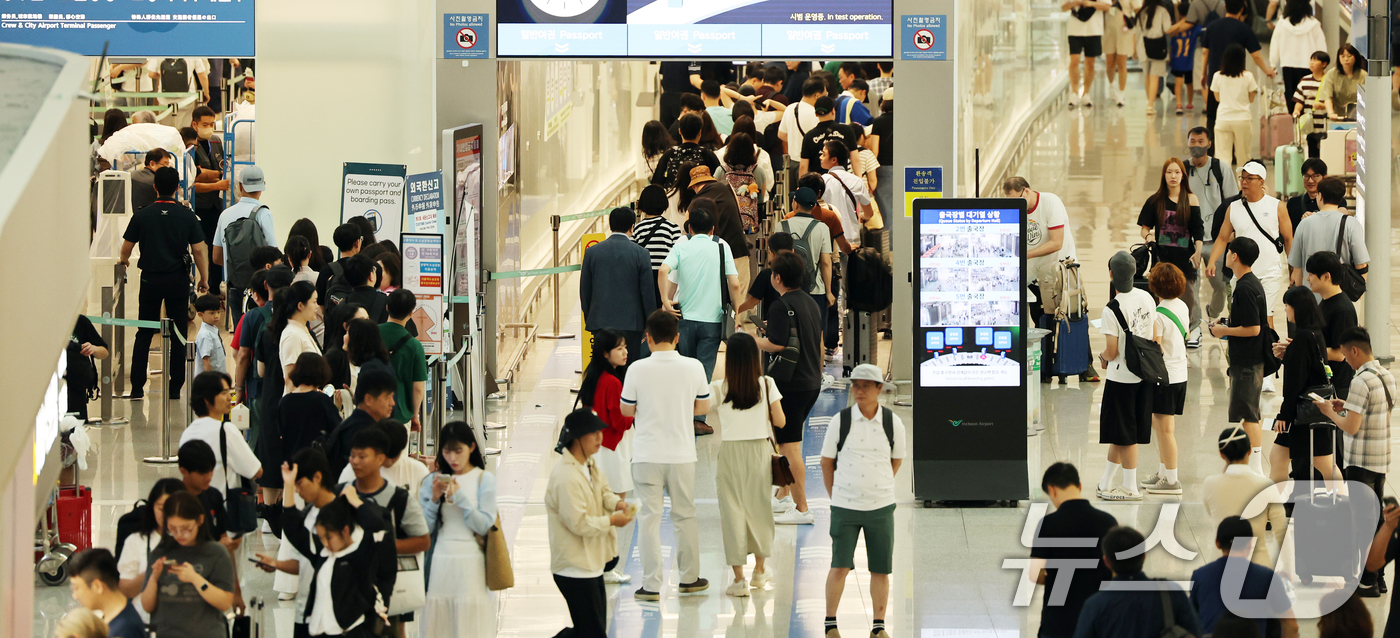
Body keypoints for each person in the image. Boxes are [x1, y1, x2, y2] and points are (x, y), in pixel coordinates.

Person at [619, 310, 711, 600]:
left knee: (648, 518)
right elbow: (702, 408)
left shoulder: (636, 368)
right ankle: (689, 578)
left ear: (647, 338)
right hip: (682, 454)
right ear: (677, 338)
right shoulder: (694, 367)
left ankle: (651, 584)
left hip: (646, 454)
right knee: (685, 515)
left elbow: (626, 410)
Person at [820, 364, 906, 638]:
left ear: (879, 389)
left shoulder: (893, 423)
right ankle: (830, 623)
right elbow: (826, 462)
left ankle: (879, 625)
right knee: (840, 565)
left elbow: (896, 460)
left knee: (881, 568)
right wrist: (838, 495)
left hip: (881, 507)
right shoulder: (841, 421)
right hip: (845, 507)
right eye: (855, 385)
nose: (859, 391)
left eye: (866, 386)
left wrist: (878, 485)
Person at [119, 166, 209, 400]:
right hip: (177, 279)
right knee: (179, 331)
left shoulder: (142, 215)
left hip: (150, 279)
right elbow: (199, 249)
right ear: (178, 187)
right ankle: (175, 387)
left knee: (145, 331)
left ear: (155, 187)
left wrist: (124, 260)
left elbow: (127, 247)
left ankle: (138, 386)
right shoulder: (187, 215)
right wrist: (204, 279)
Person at [545, 408, 634, 638]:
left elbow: (604, 491)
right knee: (592, 633)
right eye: (593, 433)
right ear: (576, 438)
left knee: (592, 632)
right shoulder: (566, 477)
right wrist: (612, 520)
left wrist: (617, 504)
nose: (599, 438)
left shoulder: (589, 465)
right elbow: (579, 524)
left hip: (591, 563)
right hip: (573, 567)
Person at [709, 332, 782, 596]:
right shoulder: (766, 384)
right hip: (759, 452)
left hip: (730, 453)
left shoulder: (719, 387)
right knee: (760, 510)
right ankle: (760, 572)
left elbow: (698, 408)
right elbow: (781, 421)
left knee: (732, 513)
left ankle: (738, 580)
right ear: (754, 358)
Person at [754, 252, 824, 525]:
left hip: (790, 386)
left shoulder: (780, 305)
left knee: (789, 446)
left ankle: (802, 508)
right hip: (810, 381)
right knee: (791, 442)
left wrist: (754, 340)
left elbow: (778, 345)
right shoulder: (810, 302)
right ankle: (783, 495)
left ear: (777, 277)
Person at [659, 208, 743, 432]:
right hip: (713, 320)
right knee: (704, 369)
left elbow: (665, 272)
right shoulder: (721, 245)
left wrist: (665, 302)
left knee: (684, 366)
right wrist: (738, 313)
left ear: (689, 228)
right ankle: (698, 419)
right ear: (712, 229)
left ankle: (681, 416)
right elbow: (734, 284)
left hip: (684, 318)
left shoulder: (681, 245)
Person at [341, 426, 430, 635]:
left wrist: (383, 547)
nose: (389, 463)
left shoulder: (415, 474)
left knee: (395, 626)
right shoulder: (348, 477)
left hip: (394, 572)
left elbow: (424, 534)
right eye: (354, 456)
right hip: (355, 576)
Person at [418, 421, 498, 638]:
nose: (452, 458)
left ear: (471, 447)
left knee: (470, 624)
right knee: (439, 623)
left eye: (458, 451)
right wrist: (434, 499)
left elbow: (484, 525)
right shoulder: (431, 482)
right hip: (441, 558)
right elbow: (423, 529)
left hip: (471, 559)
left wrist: (460, 498)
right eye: (446, 451)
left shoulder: (484, 480)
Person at [279, 479, 386, 638]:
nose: (325, 543)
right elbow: (292, 527)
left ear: (345, 531)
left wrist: (356, 502)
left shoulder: (360, 555)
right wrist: (288, 484)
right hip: (319, 629)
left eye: (328, 537)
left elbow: (379, 526)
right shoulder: (322, 555)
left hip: (349, 630)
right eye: (321, 538)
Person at [1315, 326, 1395, 539]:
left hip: (1361, 461)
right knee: (1376, 516)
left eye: (1344, 353)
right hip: (1380, 458)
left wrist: (1329, 412)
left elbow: (1351, 426)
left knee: (1361, 520)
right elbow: (1375, 410)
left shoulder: (1360, 381)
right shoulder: (1386, 375)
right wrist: (1347, 405)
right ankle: (1378, 571)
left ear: (1355, 351)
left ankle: (1365, 570)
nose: (1345, 359)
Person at [250, 448, 339, 636]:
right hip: (307, 613)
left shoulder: (342, 514)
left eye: (298, 483)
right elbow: (310, 558)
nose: (297, 490)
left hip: (337, 614)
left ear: (317, 477)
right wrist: (276, 564)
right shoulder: (309, 514)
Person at [1028, 463, 1119, 638]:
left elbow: (1035, 574)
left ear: (1052, 490)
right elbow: (1116, 571)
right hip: (1099, 615)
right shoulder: (1108, 521)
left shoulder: (1049, 523)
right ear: (1079, 487)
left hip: (1058, 620)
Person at [1094, 251, 1156, 501]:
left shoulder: (1112, 309)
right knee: (1120, 432)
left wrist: (1101, 358)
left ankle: (1130, 486)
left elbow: (1112, 350)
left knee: (1126, 434)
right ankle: (1106, 481)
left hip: (1121, 379)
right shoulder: (1147, 297)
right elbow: (1151, 332)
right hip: (1144, 374)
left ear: (1111, 274)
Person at [1208, 161, 1291, 349]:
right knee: (1241, 320)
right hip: (1241, 275)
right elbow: (1222, 238)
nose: (1244, 182)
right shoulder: (1234, 207)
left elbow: (1288, 240)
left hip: (1269, 272)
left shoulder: (1277, 206)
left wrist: (1294, 270)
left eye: (1249, 178)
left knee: (1266, 317)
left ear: (1261, 181)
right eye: (1242, 178)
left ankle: (1268, 365)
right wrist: (1212, 261)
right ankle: (1244, 358)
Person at [576, 328, 635, 584]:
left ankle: (600, 563)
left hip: (601, 449)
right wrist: (634, 411)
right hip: (614, 449)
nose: (625, 352)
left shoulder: (595, 376)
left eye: (625, 347)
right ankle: (608, 566)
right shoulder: (613, 382)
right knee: (613, 510)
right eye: (620, 348)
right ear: (605, 353)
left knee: (600, 507)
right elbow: (619, 420)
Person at [1072, 526, 1201, 637]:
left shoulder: (1095, 605)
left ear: (1106, 561)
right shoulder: (1171, 593)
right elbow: (1195, 632)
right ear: (1144, 557)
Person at [1208, 238, 1269, 473]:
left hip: (1247, 360)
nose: (1226, 254)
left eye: (1228, 251)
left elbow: (1253, 328)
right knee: (1250, 411)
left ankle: (1255, 468)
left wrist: (1224, 331)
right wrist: (1226, 324)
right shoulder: (1249, 283)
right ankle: (1253, 465)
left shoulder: (1244, 287)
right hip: (1248, 358)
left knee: (1249, 414)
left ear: (1235, 256)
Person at [140, 491, 236, 638]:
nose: (179, 535)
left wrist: (195, 579)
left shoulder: (217, 553)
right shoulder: (160, 552)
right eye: (172, 529)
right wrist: (153, 578)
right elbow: (147, 606)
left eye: (186, 529)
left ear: (200, 520)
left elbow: (225, 603)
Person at [1189, 517, 1297, 638]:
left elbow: (1192, 622)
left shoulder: (1200, 576)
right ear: (1250, 543)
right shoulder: (1267, 577)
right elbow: (1291, 626)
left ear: (1217, 543)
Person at [1137, 159, 1205, 343]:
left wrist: (1198, 250)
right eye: (1169, 172)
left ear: (1183, 175)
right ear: (1164, 175)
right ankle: (1162, 335)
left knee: (1189, 296)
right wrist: (1148, 236)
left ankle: (1189, 332)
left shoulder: (1191, 199)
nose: (1173, 176)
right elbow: (1144, 227)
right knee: (1161, 297)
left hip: (1186, 257)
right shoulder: (1155, 200)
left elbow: (1198, 229)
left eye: (1177, 172)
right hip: (1162, 258)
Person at [580, 207, 659, 362]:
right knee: (629, 367)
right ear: (632, 227)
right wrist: (649, 323)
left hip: (600, 322)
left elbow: (585, 290)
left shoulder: (592, 252)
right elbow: (647, 292)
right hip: (632, 324)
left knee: (604, 367)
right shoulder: (641, 254)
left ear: (610, 226)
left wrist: (590, 317)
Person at [1202, 427, 1288, 566]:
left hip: (1219, 565)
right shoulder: (1266, 486)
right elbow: (1282, 534)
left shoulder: (1210, 484)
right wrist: (1288, 571)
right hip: (1258, 567)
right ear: (1249, 451)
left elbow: (1211, 513)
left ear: (1221, 454)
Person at [1195, 0, 1275, 137]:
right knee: (1236, 111)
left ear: (1225, 6)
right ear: (1242, 10)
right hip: (1237, 78)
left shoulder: (1212, 26)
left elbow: (1205, 53)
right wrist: (1267, 70)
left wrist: (1203, 74)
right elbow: (1255, 55)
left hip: (1216, 78)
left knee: (1212, 115)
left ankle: (1213, 145)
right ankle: (1234, 144)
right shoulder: (1244, 29)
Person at [1141, 263, 1189, 494]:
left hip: (1164, 377)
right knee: (1162, 427)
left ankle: (1171, 480)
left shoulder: (1158, 315)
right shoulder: (1181, 306)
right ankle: (1163, 472)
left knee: (1164, 429)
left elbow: (1155, 346)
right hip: (1180, 374)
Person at [1183, 128, 1239, 321]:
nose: (1196, 145)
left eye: (1201, 141)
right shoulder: (1182, 170)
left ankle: (1213, 313)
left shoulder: (1221, 169)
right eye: (1192, 141)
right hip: (1190, 240)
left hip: (1218, 240)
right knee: (1191, 286)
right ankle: (1194, 326)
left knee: (1221, 285)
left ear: (1209, 144)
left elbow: (1233, 202)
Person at [179, 371, 262, 497]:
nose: (229, 397)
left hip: (196, 505)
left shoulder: (187, 434)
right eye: (224, 393)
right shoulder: (226, 431)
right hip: (224, 508)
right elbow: (256, 471)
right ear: (207, 400)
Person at [210, 165, 275, 327]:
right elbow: (274, 254)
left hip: (234, 285)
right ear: (262, 186)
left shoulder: (225, 215)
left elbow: (216, 258)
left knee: (242, 336)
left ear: (240, 186)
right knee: (261, 333)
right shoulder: (263, 213)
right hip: (260, 288)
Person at [116, 478, 185, 616]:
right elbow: (124, 590)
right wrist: (150, 574)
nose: (164, 513)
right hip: (144, 624)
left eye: (170, 508)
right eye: (160, 507)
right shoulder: (136, 541)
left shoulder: (193, 541)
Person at [1289, 178, 1368, 292]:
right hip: (1340, 294)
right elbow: (1361, 265)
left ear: (1320, 196)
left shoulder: (1305, 223)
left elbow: (1297, 270)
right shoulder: (1351, 224)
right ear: (1341, 197)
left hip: (1312, 295)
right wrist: (1358, 291)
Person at [1305, 252, 1360, 403]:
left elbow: (1339, 354)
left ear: (1326, 276)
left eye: (1311, 274)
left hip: (1336, 387)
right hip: (1323, 381)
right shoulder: (1326, 302)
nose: (1307, 279)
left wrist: (1303, 349)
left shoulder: (1342, 310)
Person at [324, 367, 397, 477]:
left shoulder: (352, 425)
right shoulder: (363, 432)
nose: (392, 403)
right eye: (388, 398)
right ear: (368, 399)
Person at [187, 106, 229, 288]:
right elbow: (193, 178)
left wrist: (210, 175)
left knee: (216, 245)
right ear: (194, 124)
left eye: (212, 124)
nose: (209, 128)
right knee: (196, 248)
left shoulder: (216, 141)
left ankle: (214, 285)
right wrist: (216, 181)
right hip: (197, 206)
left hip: (214, 205)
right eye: (205, 124)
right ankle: (195, 283)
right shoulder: (189, 145)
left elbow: (222, 169)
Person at [68, 548, 146, 638]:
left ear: (97, 586)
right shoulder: (115, 618)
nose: (75, 596)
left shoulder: (124, 630)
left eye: (76, 588)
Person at [277, 352, 340, 460]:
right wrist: (337, 407)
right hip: (315, 461)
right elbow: (336, 430)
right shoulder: (322, 400)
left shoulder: (284, 401)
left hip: (291, 461)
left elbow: (282, 432)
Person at [688, 169, 750, 277]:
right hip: (738, 251)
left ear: (694, 186)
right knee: (738, 291)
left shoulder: (697, 200)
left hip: (714, 257)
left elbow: (687, 224)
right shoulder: (726, 186)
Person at [379, 289, 427, 428]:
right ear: (411, 313)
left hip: (371, 410)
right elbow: (418, 387)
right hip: (399, 413)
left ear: (387, 308)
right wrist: (414, 415)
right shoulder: (414, 345)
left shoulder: (372, 333)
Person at [1270, 0, 1328, 113]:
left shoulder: (1282, 23)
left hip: (1288, 64)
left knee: (1292, 96)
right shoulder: (1314, 24)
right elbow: (1321, 47)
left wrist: (1273, 64)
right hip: (1308, 65)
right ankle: (1307, 122)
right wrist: (1322, 64)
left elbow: (1275, 43)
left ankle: (1295, 122)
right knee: (1308, 96)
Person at [631, 185, 682, 311]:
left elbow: (633, 254)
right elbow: (678, 256)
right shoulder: (672, 228)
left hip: (644, 278)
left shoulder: (637, 229)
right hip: (666, 279)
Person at [1211, 44, 1260, 167]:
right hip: (1242, 119)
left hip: (1223, 118)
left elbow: (1217, 98)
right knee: (1244, 156)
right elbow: (1251, 98)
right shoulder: (1248, 76)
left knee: (1222, 156)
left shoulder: (1217, 76)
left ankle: (1223, 184)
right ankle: (1243, 184)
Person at [820, 141, 874, 252]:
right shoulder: (857, 181)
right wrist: (864, 217)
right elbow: (869, 212)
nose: (820, 157)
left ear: (834, 160)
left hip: (829, 241)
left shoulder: (822, 181)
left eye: (824, 154)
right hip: (852, 240)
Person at [650, 114, 721, 192]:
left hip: (672, 201)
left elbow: (656, 183)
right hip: (701, 200)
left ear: (680, 131)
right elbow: (719, 180)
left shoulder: (670, 155)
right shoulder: (707, 154)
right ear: (700, 132)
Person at [736, 231, 795, 321]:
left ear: (771, 253)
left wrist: (735, 310)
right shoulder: (801, 272)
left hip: (773, 320)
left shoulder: (767, 274)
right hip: (796, 320)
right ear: (793, 251)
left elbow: (753, 301)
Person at [1063, 0, 1112, 107]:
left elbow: (1108, 7)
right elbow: (1063, 7)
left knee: (1090, 62)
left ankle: (1086, 93)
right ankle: (1074, 92)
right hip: (1074, 30)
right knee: (1074, 61)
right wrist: (1073, 3)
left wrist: (1091, 4)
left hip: (1094, 30)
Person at [799, 97, 860, 177]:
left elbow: (803, 166)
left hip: (819, 182)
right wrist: (859, 179)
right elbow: (855, 159)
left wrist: (803, 185)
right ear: (833, 111)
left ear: (816, 114)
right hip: (841, 180)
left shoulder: (809, 136)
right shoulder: (847, 130)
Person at [66, 315, 110, 422]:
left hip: (75, 384)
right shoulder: (44, 322)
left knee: (76, 429)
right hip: (49, 387)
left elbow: (104, 352)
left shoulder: (80, 321)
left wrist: (93, 349)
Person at [778, 77, 826, 169]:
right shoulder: (816, 115)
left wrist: (794, 140)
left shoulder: (790, 108)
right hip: (810, 163)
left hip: (792, 163)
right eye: (825, 94)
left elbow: (781, 134)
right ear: (817, 95)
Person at [317, 223, 364, 312]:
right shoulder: (364, 268)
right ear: (357, 243)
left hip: (334, 322)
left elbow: (321, 303)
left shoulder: (326, 270)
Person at [1293, 52, 1330, 157]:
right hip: (1310, 127)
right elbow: (1299, 100)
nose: (1312, 63)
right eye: (1311, 60)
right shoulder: (1304, 81)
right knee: (1312, 154)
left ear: (1324, 64)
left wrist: (1323, 106)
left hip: (1325, 125)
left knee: (1326, 154)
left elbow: (1334, 101)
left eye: (1315, 60)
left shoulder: (1329, 80)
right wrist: (1297, 111)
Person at [345, 318, 394, 398]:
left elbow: (369, 405)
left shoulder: (370, 368)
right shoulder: (381, 363)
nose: (344, 337)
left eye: (347, 333)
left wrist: (358, 399)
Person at [1318, 43, 1367, 121]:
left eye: (1349, 56)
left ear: (1355, 57)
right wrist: (1331, 113)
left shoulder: (1363, 75)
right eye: (1342, 56)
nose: (1346, 59)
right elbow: (1327, 96)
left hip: (1358, 117)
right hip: (1337, 116)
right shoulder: (1332, 74)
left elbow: (1367, 99)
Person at [868, 92, 895, 231]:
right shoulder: (907, 120)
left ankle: (890, 245)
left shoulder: (878, 121)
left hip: (884, 169)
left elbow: (874, 150)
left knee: (886, 208)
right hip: (904, 168)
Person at [1281, 159, 1328, 233]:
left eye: (1315, 176)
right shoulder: (1293, 203)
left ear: (1324, 177)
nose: (1310, 181)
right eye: (1306, 176)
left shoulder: (1332, 201)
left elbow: (1341, 214)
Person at [1169, 20, 1202, 113]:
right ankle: (1190, 103)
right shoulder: (1194, 28)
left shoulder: (1176, 29)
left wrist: (1170, 57)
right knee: (1189, 83)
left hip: (1178, 59)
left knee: (1178, 82)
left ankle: (1179, 104)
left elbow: (1171, 45)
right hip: (1190, 60)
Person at [191, 295, 225, 373]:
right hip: (209, 379)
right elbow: (205, 359)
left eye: (218, 312)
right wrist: (209, 379)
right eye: (212, 313)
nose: (216, 316)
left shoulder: (214, 329)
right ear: (200, 315)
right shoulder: (205, 334)